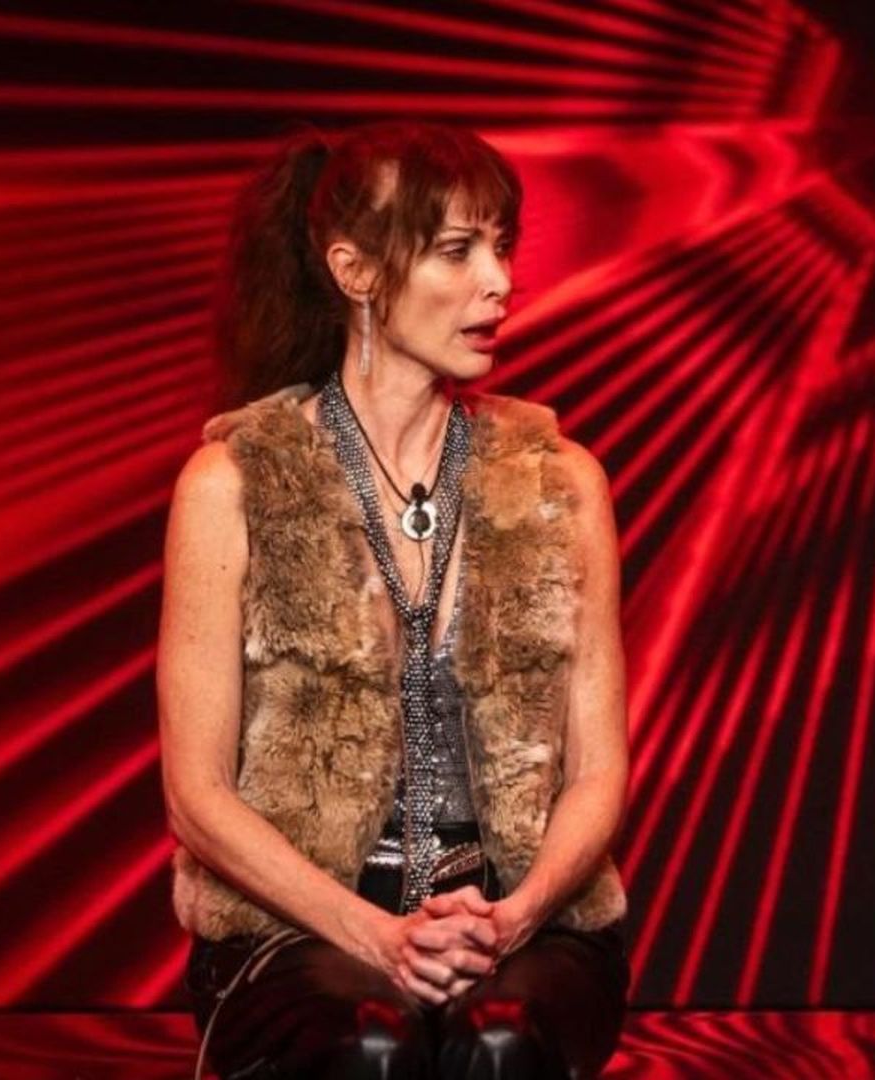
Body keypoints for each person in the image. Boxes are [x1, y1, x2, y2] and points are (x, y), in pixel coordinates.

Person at [159, 121, 630, 1077]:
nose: (499, 281)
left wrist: (512, 917)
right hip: (296, 929)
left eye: (502, 247)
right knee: (372, 1041)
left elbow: (599, 771)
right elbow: (196, 796)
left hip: (518, 916)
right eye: (458, 251)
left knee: (500, 1038)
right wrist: (379, 934)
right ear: (356, 271)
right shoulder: (234, 482)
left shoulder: (561, 480)